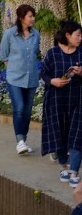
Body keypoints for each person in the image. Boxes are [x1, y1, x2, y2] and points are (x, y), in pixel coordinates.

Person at [42, 21, 82, 185]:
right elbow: (43, 74)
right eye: (77, 35)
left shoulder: (81, 53)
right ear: (68, 35)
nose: (80, 38)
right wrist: (53, 81)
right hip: (57, 100)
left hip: (78, 99)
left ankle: (74, 171)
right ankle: (63, 166)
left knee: (77, 134)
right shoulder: (52, 53)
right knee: (60, 133)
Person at [0, 4, 41, 155]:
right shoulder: (10, 34)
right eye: (30, 16)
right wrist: (11, 70)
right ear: (21, 17)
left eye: (33, 16)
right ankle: (20, 141)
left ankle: (23, 140)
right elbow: (4, 55)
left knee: (27, 111)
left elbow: (36, 53)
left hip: (31, 78)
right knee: (19, 108)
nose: (32, 19)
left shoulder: (36, 34)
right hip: (14, 78)